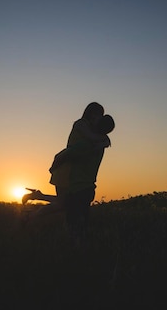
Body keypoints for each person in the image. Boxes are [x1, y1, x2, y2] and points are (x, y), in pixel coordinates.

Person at [23, 103, 115, 246]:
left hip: (72, 166)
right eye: (98, 115)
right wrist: (105, 140)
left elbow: (93, 138)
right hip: (65, 167)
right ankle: (32, 213)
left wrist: (104, 139)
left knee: (64, 203)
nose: (99, 118)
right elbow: (91, 138)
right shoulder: (81, 124)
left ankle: (37, 199)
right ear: (91, 114)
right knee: (64, 204)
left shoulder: (92, 132)